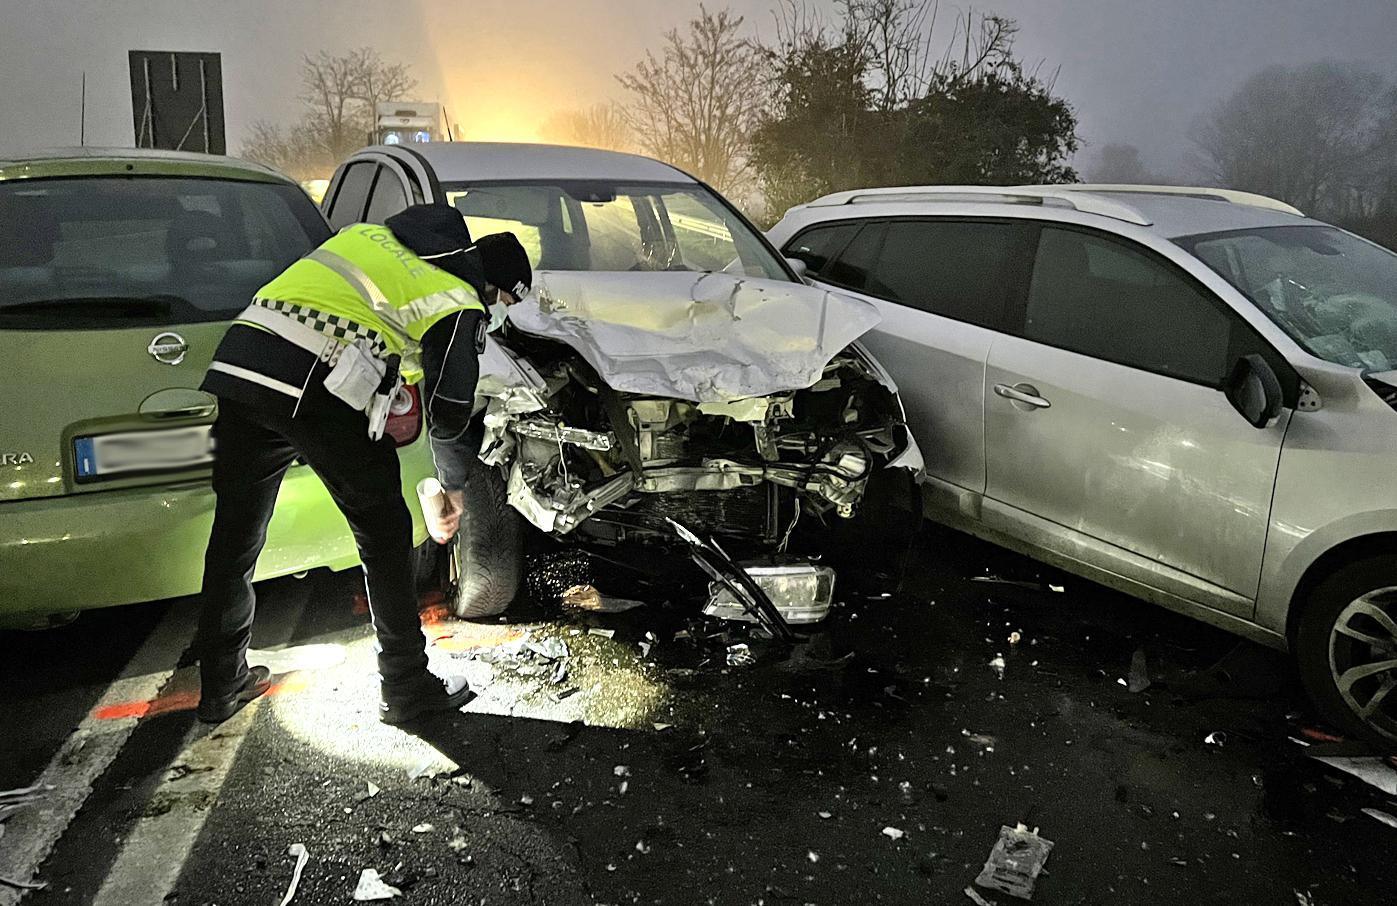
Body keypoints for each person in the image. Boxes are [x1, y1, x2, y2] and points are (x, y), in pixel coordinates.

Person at [194, 203, 531, 725]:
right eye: (505, 300)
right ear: (491, 283)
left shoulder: (375, 239)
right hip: (310, 384)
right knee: (385, 534)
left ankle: (221, 685)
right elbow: (449, 409)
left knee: (236, 536)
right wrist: (453, 488)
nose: (499, 310)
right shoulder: (458, 298)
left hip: (240, 369)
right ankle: (406, 686)